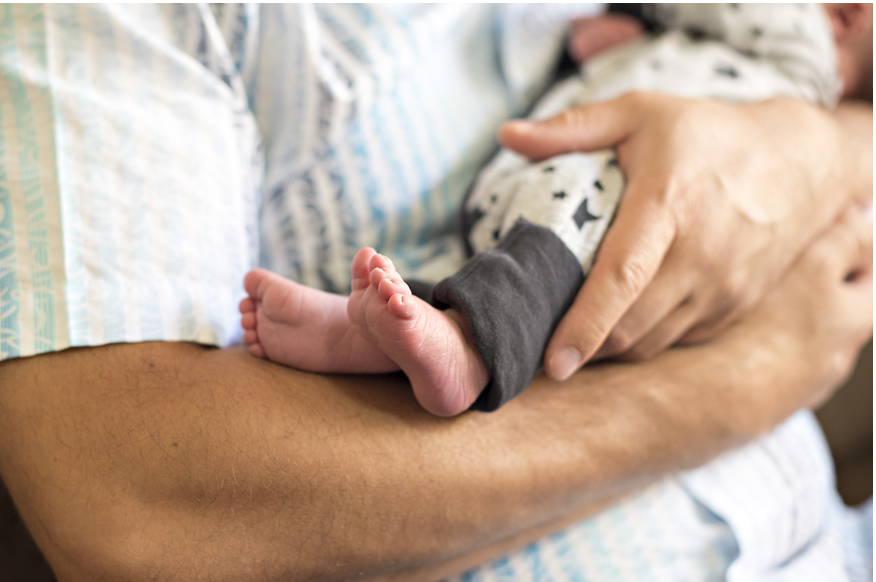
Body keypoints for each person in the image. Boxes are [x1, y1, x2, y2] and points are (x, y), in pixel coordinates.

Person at [0, 4, 872, 582]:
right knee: (536, 254)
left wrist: (823, 147)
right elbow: (130, 507)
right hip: (561, 240)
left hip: (836, 576)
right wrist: (738, 383)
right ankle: (449, 331)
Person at [240, 3, 874, 416]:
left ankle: (467, 351)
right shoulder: (752, 71)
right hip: (559, 190)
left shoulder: (801, 45)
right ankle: (382, 335)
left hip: (606, 190)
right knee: (500, 271)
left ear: (844, 16)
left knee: (531, 267)